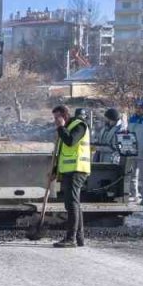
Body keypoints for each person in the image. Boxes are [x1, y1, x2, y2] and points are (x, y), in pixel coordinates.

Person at [51, 104, 90, 248]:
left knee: (72, 203)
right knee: (72, 204)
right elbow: (62, 153)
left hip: (78, 169)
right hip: (69, 170)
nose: (55, 120)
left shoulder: (79, 125)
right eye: (54, 118)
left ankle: (71, 238)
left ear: (65, 115)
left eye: (57, 117)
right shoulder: (66, 128)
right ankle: (79, 238)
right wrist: (55, 171)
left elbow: (70, 141)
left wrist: (61, 127)